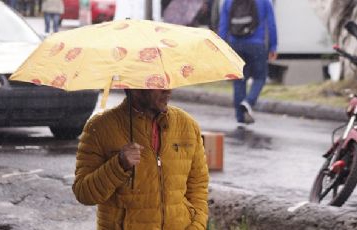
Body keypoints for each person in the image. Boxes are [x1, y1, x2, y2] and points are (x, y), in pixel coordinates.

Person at [73, 89, 209, 230]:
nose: (168, 90)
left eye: (168, 82)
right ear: (136, 89)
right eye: (158, 83)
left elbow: (198, 188)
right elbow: (84, 193)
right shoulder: (100, 127)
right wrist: (118, 165)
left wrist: (197, 226)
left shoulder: (187, 125)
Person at [218, 0, 278, 124]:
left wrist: (221, 47)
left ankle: (240, 118)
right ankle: (248, 102)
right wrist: (273, 46)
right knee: (260, 77)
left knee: (239, 79)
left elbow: (223, 25)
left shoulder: (228, 2)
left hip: (235, 44)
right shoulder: (264, 1)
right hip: (256, 45)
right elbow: (271, 24)